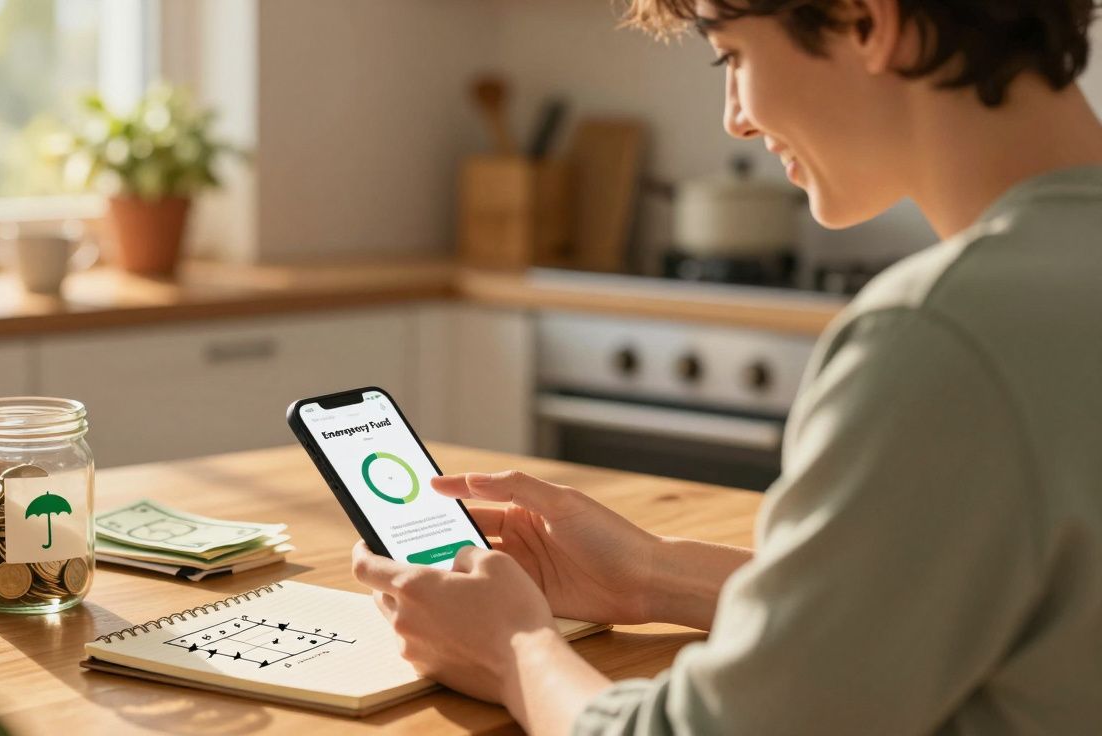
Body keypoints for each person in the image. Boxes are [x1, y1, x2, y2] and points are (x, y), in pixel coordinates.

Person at [352, 0, 1102, 733]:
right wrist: (654, 573)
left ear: (867, 21)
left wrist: (513, 650)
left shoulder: (940, 335)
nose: (735, 118)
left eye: (732, 56)